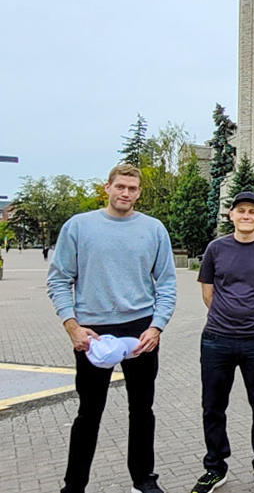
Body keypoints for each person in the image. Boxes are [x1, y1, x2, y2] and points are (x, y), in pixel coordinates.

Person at [47, 163, 177, 493]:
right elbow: (60, 279)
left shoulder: (153, 229)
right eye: (120, 186)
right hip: (93, 331)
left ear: (139, 192)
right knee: (89, 412)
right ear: (107, 187)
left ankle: (143, 479)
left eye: (132, 189)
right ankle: (74, 485)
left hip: (140, 329)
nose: (126, 193)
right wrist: (72, 326)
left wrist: (157, 326)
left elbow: (166, 282)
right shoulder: (79, 227)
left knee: (142, 409)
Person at [191, 191, 254, 493]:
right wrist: (228, 316)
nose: (246, 216)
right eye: (241, 211)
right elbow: (207, 292)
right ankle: (215, 467)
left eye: (252, 212)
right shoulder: (216, 248)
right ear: (231, 216)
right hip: (217, 340)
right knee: (213, 405)